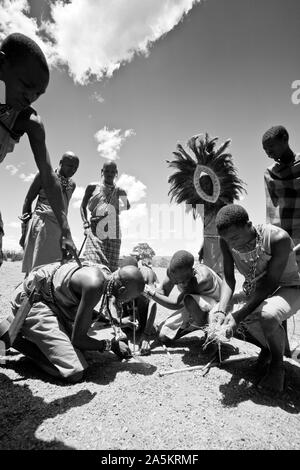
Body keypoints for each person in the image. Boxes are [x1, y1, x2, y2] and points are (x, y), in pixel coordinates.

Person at [1, 261, 145, 382]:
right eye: (129, 297)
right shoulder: (94, 284)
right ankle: (14, 338)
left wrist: (115, 321)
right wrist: (109, 344)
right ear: (122, 289)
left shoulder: (106, 274)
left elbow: (87, 312)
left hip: (49, 300)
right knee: (74, 372)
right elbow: (78, 339)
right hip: (32, 301)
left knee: (82, 350)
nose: (128, 302)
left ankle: (23, 327)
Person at [0, 32, 76, 259]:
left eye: (39, 94)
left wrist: (65, 227)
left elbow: (47, 176)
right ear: (2, 63)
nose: (30, 97)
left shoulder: (29, 121)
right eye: (26, 86)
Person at [211, 204, 300, 393]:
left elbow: (270, 284)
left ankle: (277, 364)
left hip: (288, 287)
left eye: (235, 237)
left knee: (267, 315)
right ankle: (268, 348)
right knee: (217, 314)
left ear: (249, 224)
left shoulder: (277, 238)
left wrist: (238, 316)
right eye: (227, 240)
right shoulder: (226, 241)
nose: (232, 244)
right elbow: (229, 278)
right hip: (259, 289)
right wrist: (221, 308)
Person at [20, 151, 79, 275]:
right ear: (61, 163)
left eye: (75, 167)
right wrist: (24, 229)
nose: (73, 170)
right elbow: (28, 200)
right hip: (42, 224)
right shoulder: (44, 176)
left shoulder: (72, 185)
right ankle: (30, 292)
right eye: (70, 166)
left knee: (53, 268)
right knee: (37, 268)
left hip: (59, 228)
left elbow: (64, 209)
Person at [143, 250, 222, 344]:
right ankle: (195, 324)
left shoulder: (201, 279)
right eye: (176, 282)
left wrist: (150, 293)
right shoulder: (174, 272)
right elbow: (163, 291)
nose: (181, 284)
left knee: (189, 300)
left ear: (192, 272)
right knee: (163, 336)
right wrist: (145, 288)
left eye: (183, 281)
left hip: (217, 307)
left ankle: (210, 335)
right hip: (195, 307)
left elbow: (176, 304)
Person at [80, 161, 130, 271]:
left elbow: (127, 206)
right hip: (95, 230)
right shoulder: (92, 187)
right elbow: (82, 206)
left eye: (113, 171)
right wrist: (85, 225)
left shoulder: (119, 191)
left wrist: (115, 209)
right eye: (107, 171)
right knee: (92, 266)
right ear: (102, 171)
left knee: (110, 268)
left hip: (113, 231)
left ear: (116, 173)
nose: (110, 174)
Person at [263, 125, 300, 269]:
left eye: (271, 146)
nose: (268, 152)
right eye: (265, 149)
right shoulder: (270, 173)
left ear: (285, 140)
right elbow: (271, 207)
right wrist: (270, 238)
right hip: (283, 234)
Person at [119, 255, 158, 355]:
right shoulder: (118, 275)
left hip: (141, 299)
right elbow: (111, 301)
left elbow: (153, 302)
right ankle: (128, 320)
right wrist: (118, 325)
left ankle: (143, 324)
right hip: (127, 309)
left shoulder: (146, 274)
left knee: (143, 295)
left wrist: (146, 335)